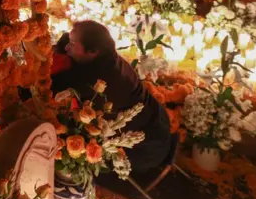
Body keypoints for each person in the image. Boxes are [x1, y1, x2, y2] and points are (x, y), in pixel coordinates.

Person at [50, 21, 171, 174]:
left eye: (72, 44)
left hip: (145, 148)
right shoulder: (104, 54)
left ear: (93, 51)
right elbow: (66, 39)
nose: (67, 47)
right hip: (157, 119)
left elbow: (53, 86)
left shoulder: (97, 79)